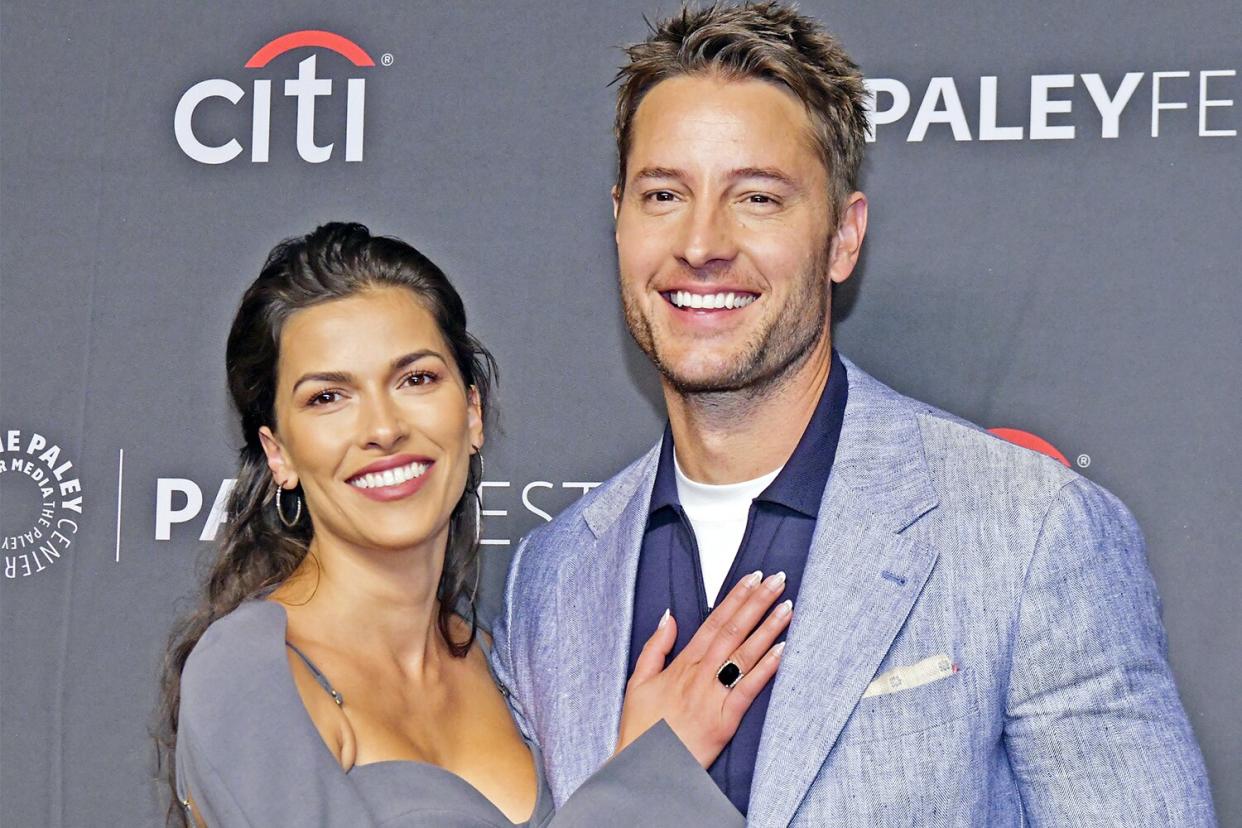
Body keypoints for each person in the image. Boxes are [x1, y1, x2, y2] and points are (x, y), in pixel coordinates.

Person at [490, 3, 1217, 825]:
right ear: (619, 220)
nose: (701, 242)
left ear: (843, 237)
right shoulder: (550, 580)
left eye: (757, 198)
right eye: (664, 194)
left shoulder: (1028, 532)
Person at [154, 222, 794, 826]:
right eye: (328, 397)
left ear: (472, 413)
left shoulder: (504, 659)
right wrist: (650, 772)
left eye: (416, 378)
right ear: (279, 453)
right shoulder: (248, 673)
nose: (383, 428)